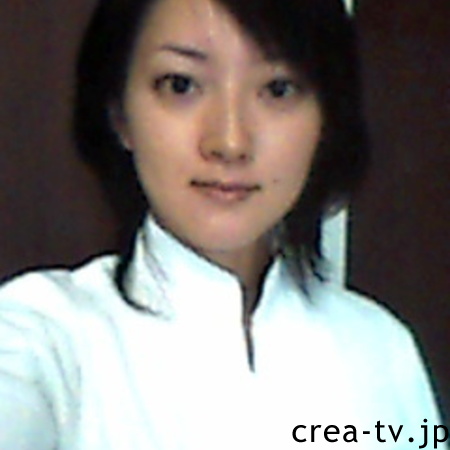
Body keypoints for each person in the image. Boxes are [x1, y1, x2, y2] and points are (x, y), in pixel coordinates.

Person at [0, 0, 446, 448]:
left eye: (278, 89)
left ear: (326, 118)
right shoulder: (44, 336)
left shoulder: (383, 349)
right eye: (181, 84)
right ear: (119, 113)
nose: (230, 142)